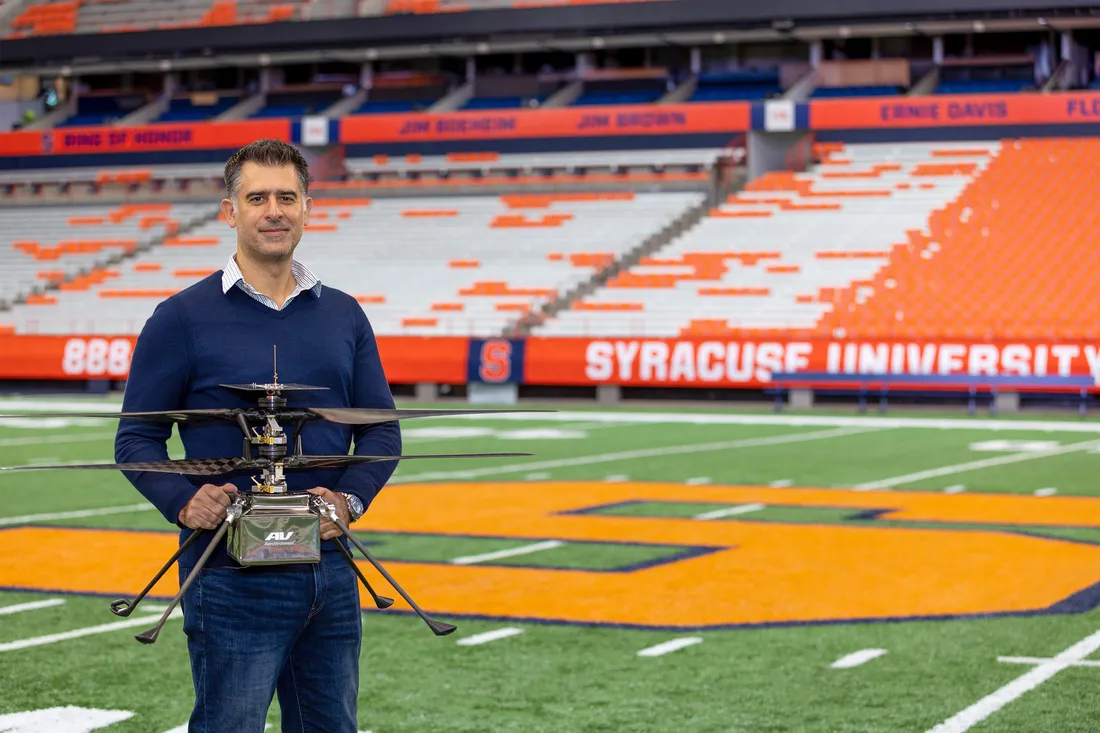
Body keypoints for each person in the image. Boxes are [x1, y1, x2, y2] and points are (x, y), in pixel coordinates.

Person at [115, 138, 401, 733]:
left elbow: (381, 431)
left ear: (308, 208)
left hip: (331, 570)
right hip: (227, 576)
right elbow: (136, 441)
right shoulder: (180, 317)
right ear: (231, 211)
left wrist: (348, 500)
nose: (274, 210)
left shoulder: (345, 314)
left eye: (287, 197)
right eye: (258, 197)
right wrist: (184, 499)